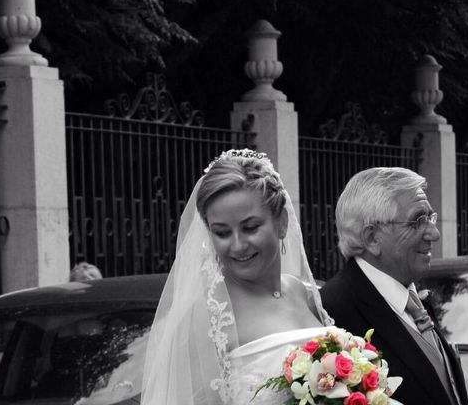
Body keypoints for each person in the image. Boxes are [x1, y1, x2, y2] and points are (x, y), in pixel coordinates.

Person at [141, 149, 333, 405]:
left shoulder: (302, 292)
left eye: (250, 227)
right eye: (222, 233)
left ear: (282, 222)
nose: (238, 245)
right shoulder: (209, 316)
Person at [320, 167, 468, 405]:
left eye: (430, 218)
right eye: (418, 220)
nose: (434, 233)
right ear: (372, 238)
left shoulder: (414, 300)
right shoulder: (334, 314)